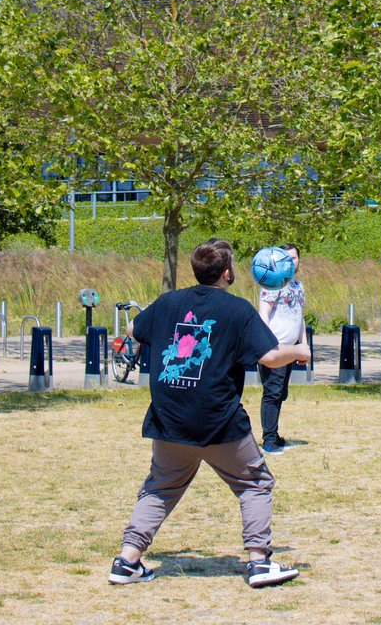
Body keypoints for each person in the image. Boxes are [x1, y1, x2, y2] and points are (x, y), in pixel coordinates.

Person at [108, 238, 310, 588]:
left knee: (159, 488)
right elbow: (270, 357)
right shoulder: (238, 310)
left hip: (169, 418)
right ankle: (260, 563)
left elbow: (132, 329)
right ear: (228, 273)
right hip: (218, 422)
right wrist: (299, 350)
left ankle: (127, 561)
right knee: (255, 483)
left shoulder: (169, 301)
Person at [258, 242, 306, 456]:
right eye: (286, 258)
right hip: (275, 347)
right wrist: (269, 345)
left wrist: (303, 344)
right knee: (272, 392)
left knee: (281, 393)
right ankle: (269, 440)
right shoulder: (273, 283)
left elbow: (299, 316)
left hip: (291, 347)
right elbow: (263, 314)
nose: (290, 262)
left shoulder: (298, 286)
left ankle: (274, 434)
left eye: (294, 258)